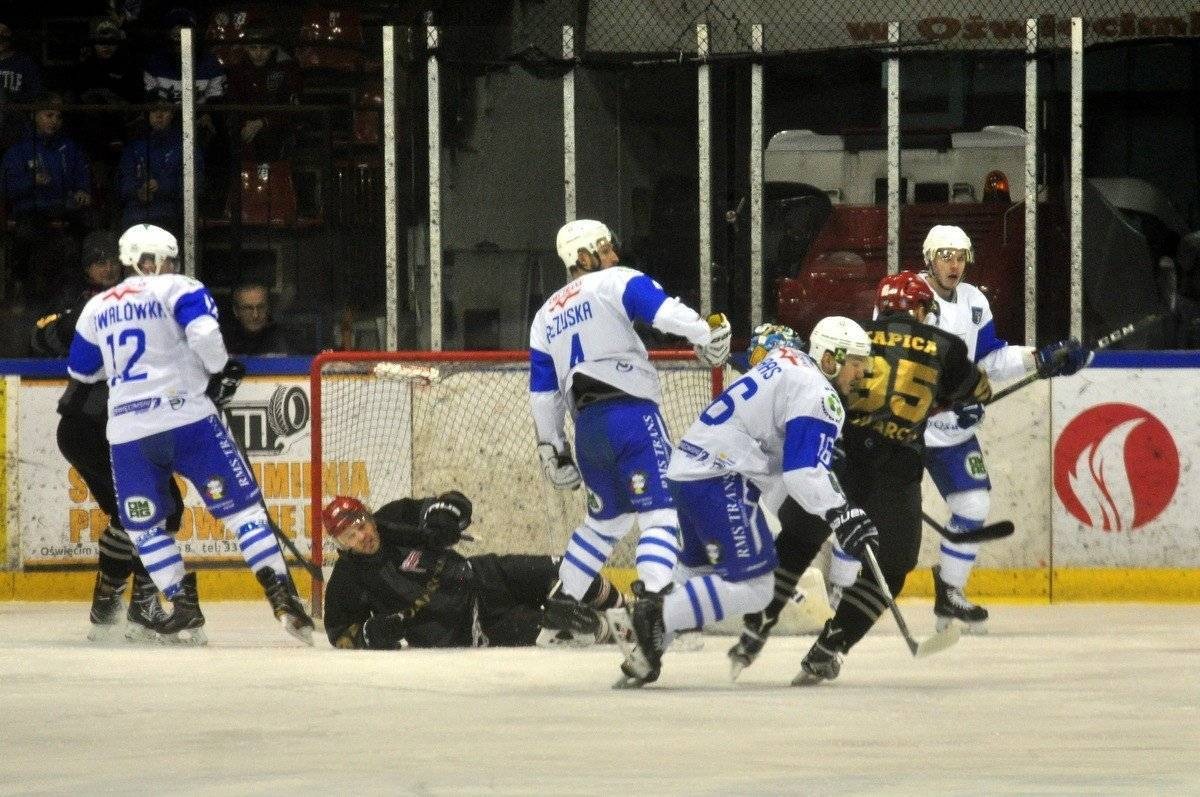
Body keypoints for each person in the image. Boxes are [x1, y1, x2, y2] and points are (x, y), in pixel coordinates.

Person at [728, 272, 999, 684]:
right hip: (896, 471)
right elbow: (977, 391)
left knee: (798, 541)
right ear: (925, 309)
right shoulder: (946, 346)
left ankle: (756, 627)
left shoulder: (859, 334)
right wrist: (946, 398)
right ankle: (831, 645)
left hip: (837, 456)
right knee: (892, 566)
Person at [825, 226, 1094, 633]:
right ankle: (841, 591)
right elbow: (893, 362)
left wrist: (1039, 358)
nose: (954, 264)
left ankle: (949, 595)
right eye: (946, 255)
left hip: (952, 434)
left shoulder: (974, 300)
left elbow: (988, 358)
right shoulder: (906, 296)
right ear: (929, 257)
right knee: (870, 509)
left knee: (972, 505)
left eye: (961, 256)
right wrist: (950, 393)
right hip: (903, 430)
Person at [65, 223, 313, 645]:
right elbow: (205, 335)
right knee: (244, 512)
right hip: (189, 419)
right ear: (164, 258)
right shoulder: (181, 287)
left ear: (127, 260)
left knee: (145, 528)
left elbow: (82, 370)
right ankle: (283, 597)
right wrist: (214, 369)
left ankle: (182, 607)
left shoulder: (97, 306)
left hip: (130, 432)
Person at [608, 317, 873, 686]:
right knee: (757, 587)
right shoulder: (821, 396)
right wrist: (842, 512)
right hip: (722, 475)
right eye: (857, 364)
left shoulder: (784, 358)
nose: (862, 375)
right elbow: (801, 474)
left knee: (694, 574)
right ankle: (654, 614)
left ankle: (642, 657)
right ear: (830, 359)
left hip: (687, 469)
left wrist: (823, 482)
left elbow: (782, 465)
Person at [528, 219, 732, 648]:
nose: (614, 255)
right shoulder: (613, 281)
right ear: (582, 257)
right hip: (631, 417)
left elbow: (544, 395)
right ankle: (656, 606)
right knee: (662, 511)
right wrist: (705, 332)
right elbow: (662, 312)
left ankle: (563, 606)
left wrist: (554, 449)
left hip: (588, 432)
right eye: (604, 248)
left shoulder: (545, 315)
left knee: (607, 520)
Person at [321, 493, 623, 649]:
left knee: (568, 571)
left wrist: (445, 517)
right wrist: (370, 635)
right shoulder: (346, 581)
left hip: (484, 576)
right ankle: (612, 631)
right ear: (341, 544)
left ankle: (627, 611)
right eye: (349, 536)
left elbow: (453, 501)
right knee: (558, 628)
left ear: (369, 516)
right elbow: (339, 633)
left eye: (360, 526)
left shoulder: (396, 516)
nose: (361, 537)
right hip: (469, 627)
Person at [1, 92, 94, 304]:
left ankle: (78, 295)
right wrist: (31, 181)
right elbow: (7, 188)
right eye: (49, 115)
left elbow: (82, 178)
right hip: (30, 212)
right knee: (27, 237)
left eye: (58, 117)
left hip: (66, 209)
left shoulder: (70, 148)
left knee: (86, 231)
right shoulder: (19, 150)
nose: (54, 121)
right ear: (35, 115)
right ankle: (24, 293)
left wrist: (82, 192)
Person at [116, 93, 199, 233]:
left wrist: (162, 186)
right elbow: (122, 182)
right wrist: (138, 191)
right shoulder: (134, 146)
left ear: (172, 114)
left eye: (164, 110)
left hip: (170, 214)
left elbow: (195, 183)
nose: (159, 115)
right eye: (154, 110)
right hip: (135, 216)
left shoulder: (185, 146)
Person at [223, 24, 301, 163]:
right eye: (253, 48)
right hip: (246, 130)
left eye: (264, 48)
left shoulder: (286, 67)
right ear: (246, 48)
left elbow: (292, 108)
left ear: (272, 47)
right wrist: (243, 126)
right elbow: (232, 105)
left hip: (278, 130)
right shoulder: (238, 69)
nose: (258, 53)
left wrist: (262, 123)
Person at [0, 18, 44, 151]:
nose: (0, 37)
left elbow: (36, 93)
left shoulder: (24, 62)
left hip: (15, 121)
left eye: (4, 33)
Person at [222, 282, 288, 355]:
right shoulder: (221, 341)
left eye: (261, 307)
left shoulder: (285, 338)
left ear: (268, 308)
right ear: (236, 311)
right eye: (248, 308)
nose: (255, 315)